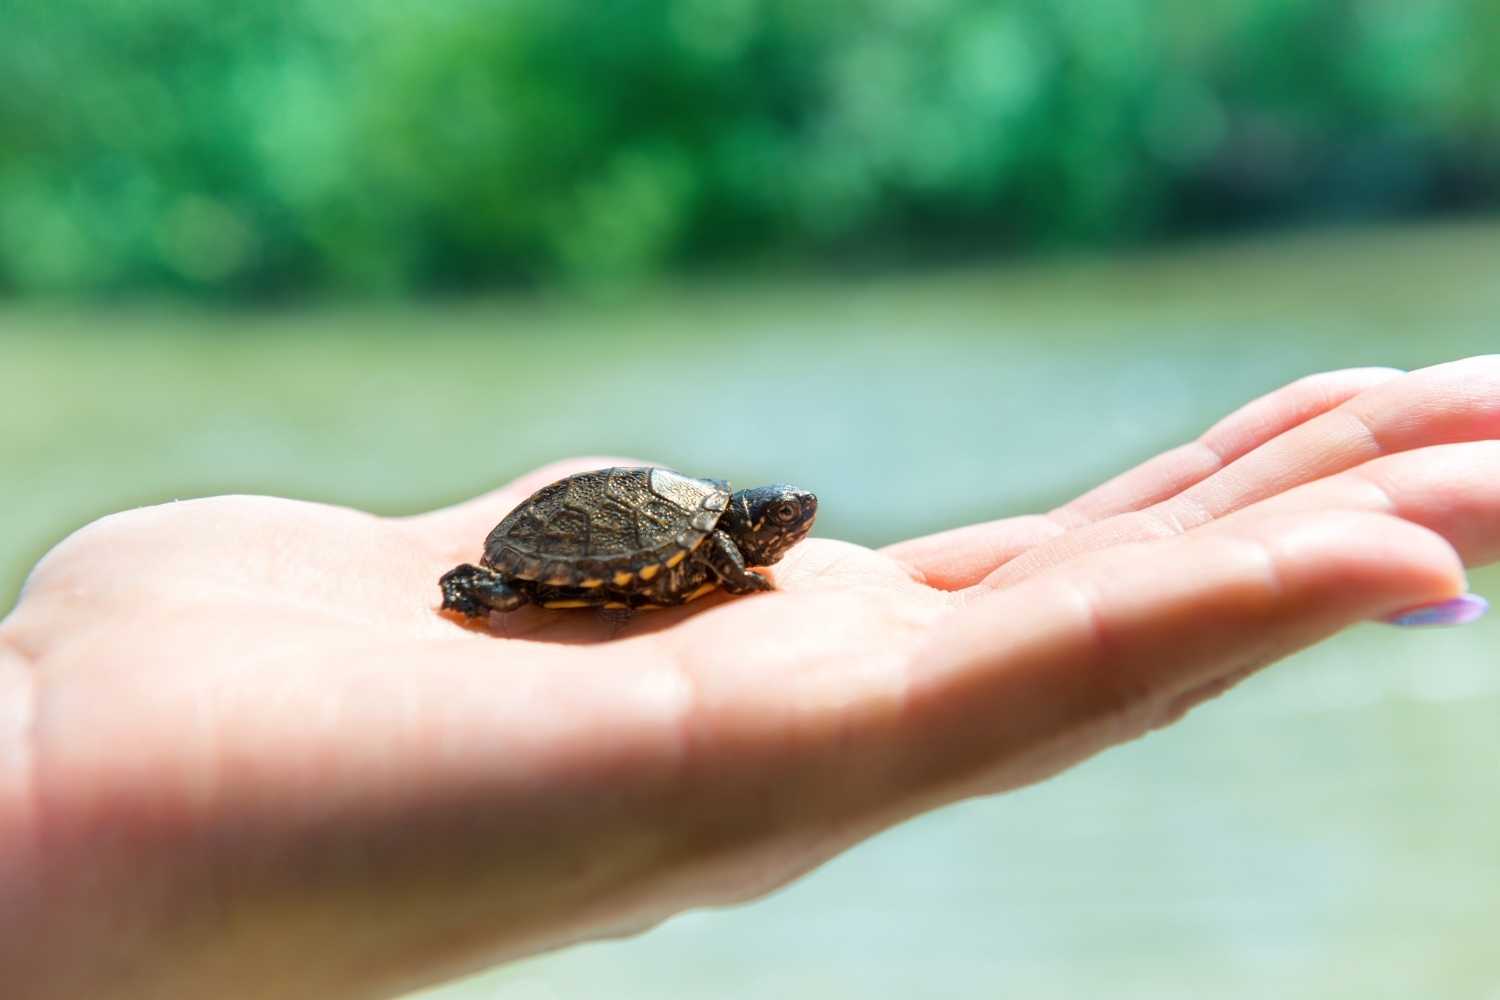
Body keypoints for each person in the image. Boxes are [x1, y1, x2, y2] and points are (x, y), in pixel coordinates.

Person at [1, 356, 1496, 999]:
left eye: (774, 526)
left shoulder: (730, 537)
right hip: (559, 545)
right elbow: (647, 563)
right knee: (507, 596)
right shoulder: (700, 546)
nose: (787, 532)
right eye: (774, 525)